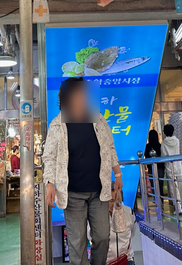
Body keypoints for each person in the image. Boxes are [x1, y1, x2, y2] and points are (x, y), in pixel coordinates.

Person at [42, 78, 123, 265]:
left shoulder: (97, 118)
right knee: (77, 243)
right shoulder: (57, 124)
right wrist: (49, 184)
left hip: (99, 191)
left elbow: (109, 147)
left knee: (102, 236)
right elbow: (49, 157)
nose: (83, 97)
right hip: (73, 194)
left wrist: (117, 174)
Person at [88, 184, 137, 264]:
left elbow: (131, 233)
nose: (111, 204)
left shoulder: (129, 212)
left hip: (126, 259)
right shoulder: (95, 215)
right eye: (108, 201)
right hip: (104, 261)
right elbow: (91, 238)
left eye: (114, 201)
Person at [160, 124, 182, 214]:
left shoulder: (164, 143)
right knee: (178, 188)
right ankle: (179, 206)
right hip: (178, 166)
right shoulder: (177, 140)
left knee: (173, 189)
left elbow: (163, 155)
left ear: (164, 132)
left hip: (170, 167)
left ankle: (178, 207)